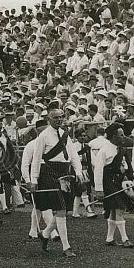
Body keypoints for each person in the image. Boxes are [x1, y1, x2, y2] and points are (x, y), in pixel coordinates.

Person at [26, 107, 81, 257]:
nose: (59, 119)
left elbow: (73, 155)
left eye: (61, 117)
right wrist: (33, 180)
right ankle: (66, 247)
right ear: (49, 119)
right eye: (55, 117)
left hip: (65, 172)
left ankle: (44, 234)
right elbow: (36, 159)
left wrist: (79, 171)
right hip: (49, 173)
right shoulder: (43, 136)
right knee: (60, 209)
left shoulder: (65, 135)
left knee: (64, 209)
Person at [93, 123, 134, 247]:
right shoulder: (104, 150)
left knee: (114, 210)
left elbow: (128, 166)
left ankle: (109, 238)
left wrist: (132, 180)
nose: (124, 137)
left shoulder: (122, 149)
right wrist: (99, 189)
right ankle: (125, 239)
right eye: (121, 135)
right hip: (110, 183)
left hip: (121, 183)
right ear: (113, 136)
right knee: (119, 209)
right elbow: (98, 170)